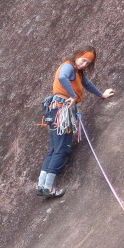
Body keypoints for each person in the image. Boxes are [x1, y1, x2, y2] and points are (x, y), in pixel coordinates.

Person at [35, 47, 115, 198]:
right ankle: (48, 187)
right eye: (83, 60)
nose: (85, 64)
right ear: (77, 56)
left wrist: (101, 94)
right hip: (61, 109)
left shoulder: (78, 72)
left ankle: (42, 184)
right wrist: (72, 96)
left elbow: (87, 84)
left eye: (88, 63)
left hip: (56, 110)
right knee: (62, 149)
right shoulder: (68, 66)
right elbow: (62, 78)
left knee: (54, 149)